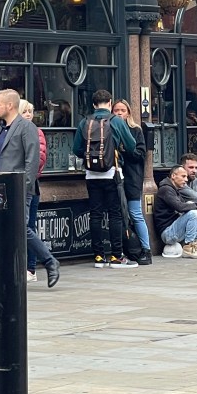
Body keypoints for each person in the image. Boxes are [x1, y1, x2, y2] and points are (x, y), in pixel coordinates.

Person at [0, 89, 60, 288]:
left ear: (10, 105)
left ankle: (50, 261)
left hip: (18, 188)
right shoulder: (3, 128)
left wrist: (24, 187)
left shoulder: (26, 127)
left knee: (20, 227)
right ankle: (8, 271)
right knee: (7, 229)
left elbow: (32, 160)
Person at [72, 89, 137, 269]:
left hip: (91, 175)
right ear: (109, 103)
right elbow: (132, 146)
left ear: (94, 104)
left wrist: (91, 157)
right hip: (112, 173)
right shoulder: (116, 121)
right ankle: (116, 256)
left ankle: (99, 257)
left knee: (95, 214)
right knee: (115, 214)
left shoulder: (84, 122)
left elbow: (76, 149)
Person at [112, 99, 152, 264]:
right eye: (116, 110)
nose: (119, 113)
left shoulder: (136, 130)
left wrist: (124, 149)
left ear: (128, 112)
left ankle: (146, 250)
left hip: (132, 178)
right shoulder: (109, 129)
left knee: (135, 213)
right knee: (119, 215)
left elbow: (140, 154)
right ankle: (124, 250)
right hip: (115, 178)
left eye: (123, 110)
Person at [154, 165, 197, 258]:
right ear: (173, 176)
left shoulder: (174, 189)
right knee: (193, 212)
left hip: (174, 229)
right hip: (167, 233)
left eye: (186, 177)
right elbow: (180, 207)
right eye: (183, 176)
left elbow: (184, 206)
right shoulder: (166, 189)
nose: (186, 180)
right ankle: (188, 247)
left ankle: (195, 243)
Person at [18, 99, 46, 282]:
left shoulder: (36, 132)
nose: (28, 114)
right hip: (18, 186)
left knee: (29, 227)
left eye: (30, 111)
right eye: (25, 111)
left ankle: (31, 268)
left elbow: (39, 159)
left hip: (30, 187)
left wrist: (27, 178)